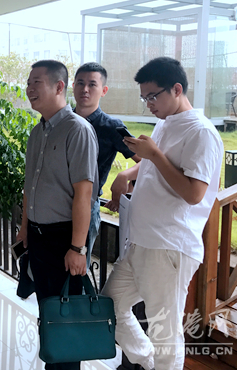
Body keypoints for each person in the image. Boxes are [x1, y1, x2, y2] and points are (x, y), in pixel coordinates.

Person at [101, 57, 223, 370]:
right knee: (109, 305)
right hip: (142, 241)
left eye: (153, 96)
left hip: (168, 247)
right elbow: (157, 164)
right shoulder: (167, 122)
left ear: (177, 89)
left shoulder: (201, 133)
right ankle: (147, 361)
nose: (149, 105)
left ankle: (158, 363)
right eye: (145, 98)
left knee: (165, 336)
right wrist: (127, 173)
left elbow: (194, 194)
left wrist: (154, 154)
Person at [16, 60, 99, 370]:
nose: (29, 89)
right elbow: (30, 187)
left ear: (59, 86)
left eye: (36, 82)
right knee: (49, 312)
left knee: (66, 318)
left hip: (64, 239)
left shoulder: (77, 130)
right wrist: (24, 228)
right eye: (28, 83)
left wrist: (78, 248)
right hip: (38, 237)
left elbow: (84, 194)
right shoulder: (37, 132)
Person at [72, 62, 141, 259]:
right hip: (56, 204)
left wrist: (124, 177)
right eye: (80, 83)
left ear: (104, 90)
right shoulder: (62, 120)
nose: (85, 89)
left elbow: (145, 161)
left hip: (87, 206)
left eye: (92, 84)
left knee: (76, 266)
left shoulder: (111, 127)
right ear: (73, 86)